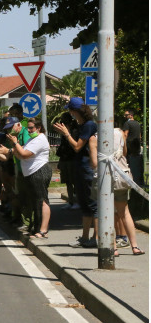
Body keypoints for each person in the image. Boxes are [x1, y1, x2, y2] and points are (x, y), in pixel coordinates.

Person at [89, 128, 144, 256]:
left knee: (107, 213)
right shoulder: (119, 133)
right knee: (125, 212)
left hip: (104, 178)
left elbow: (94, 163)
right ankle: (135, 246)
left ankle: (113, 248)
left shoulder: (94, 139)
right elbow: (124, 153)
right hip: (121, 177)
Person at [53, 97, 98, 248]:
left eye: (70, 111)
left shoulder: (89, 126)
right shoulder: (81, 125)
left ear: (74, 111)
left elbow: (78, 147)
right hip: (80, 166)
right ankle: (85, 237)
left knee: (92, 204)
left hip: (87, 168)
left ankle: (96, 237)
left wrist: (66, 134)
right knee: (84, 203)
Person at [7, 118, 52, 238]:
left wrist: (16, 143)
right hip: (31, 173)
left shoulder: (40, 139)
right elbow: (20, 154)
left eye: (32, 128)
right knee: (35, 201)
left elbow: (24, 154)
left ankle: (43, 230)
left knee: (42, 200)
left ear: (39, 128)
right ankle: (37, 229)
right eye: (28, 128)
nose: (30, 130)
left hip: (39, 171)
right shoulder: (33, 139)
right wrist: (13, 146)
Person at [55, 112, 80, 209]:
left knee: (75, 181)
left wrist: (67, 134)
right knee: (67, 182)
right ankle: (70, 201)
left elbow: (74, 145)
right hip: (64, 158)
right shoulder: (64, 133)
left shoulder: (74, 131)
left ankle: (77, 201)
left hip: (72, 158)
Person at [122, 110, 144, 186]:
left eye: (126, 115)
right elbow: (140, 135)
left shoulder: (127, 123)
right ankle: (138, 182)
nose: (125, 117)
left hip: (129, 147)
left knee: (128, 165)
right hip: (137, 146)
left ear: (131, 115)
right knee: (137, 166)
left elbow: (125, 135)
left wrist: (122, 145)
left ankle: (129, 182)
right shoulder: (138, 123)